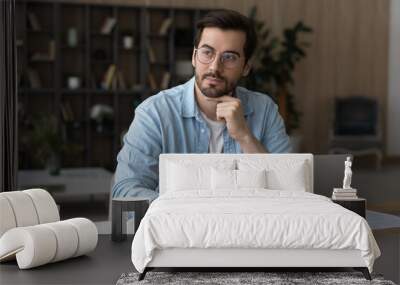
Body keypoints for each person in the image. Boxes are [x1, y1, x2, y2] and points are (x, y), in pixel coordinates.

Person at [112, 9, 292, 200]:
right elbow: (126, 189)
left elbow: (290, 189)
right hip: (179, 226)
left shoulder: (265, 110)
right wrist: (194, 210)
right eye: (207, 53)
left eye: (229, 57)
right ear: (193, 57)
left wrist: (244, 136)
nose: (215, 67)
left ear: (246, 67)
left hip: (247, 226)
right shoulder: (154, 112)